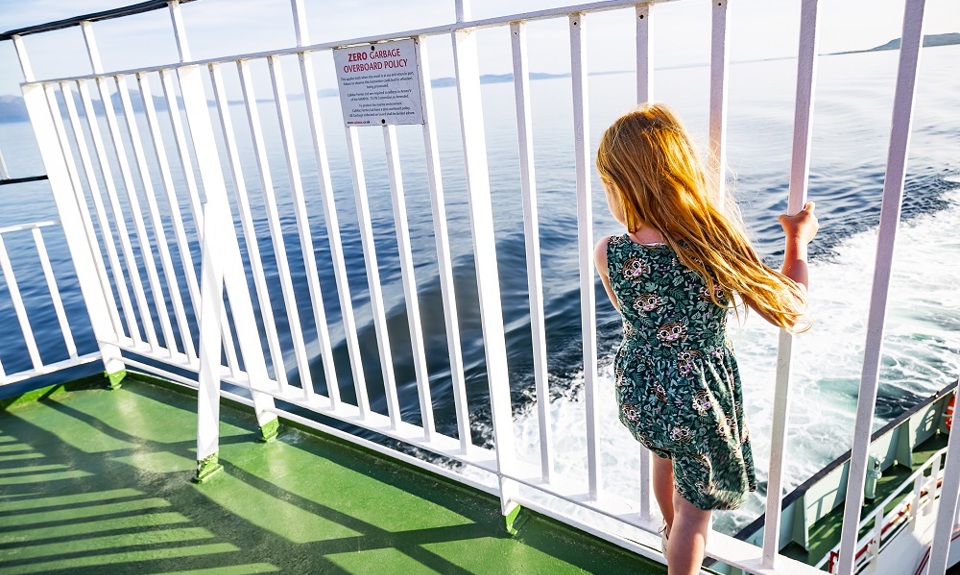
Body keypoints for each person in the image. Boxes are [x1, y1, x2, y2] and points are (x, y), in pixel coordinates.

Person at [593, 103, 819, 575]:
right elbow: (789, 306)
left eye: (609, 187)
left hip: (641, 384)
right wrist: (797, 241)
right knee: (697, 516)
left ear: (625, 188)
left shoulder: (608, 251)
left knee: (664, 458)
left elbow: (631, 312)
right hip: (698, 393)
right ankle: (682, 547)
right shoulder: (712, 243)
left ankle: (667, 530)